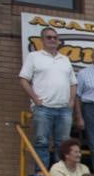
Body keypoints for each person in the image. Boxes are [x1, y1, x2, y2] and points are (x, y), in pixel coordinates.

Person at [18, 26, 76, 165]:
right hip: (43, 108)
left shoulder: (65, 59)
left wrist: (71, 102)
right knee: (42, 142)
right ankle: (43, 175)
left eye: (55, 38)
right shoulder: (34, 56)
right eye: (49, 37)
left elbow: (73, 83)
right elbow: (23, 79)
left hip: (64, 109)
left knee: (63, 145)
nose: (52, 40)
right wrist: (35, 99)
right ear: (42, 40)